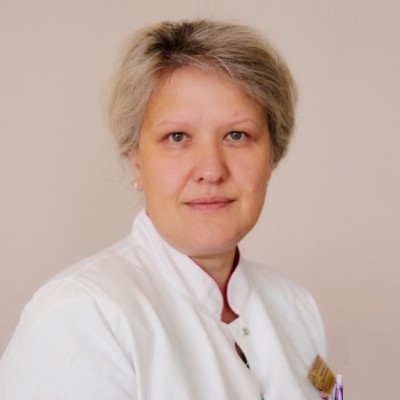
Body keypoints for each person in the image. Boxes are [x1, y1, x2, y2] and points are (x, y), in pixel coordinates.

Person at [0, 20, 326, 399]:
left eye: (237, 135)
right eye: (177, 137)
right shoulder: (83, 314)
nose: (211, 170)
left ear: (272, 155)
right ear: (137, 160)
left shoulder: (297, 308)